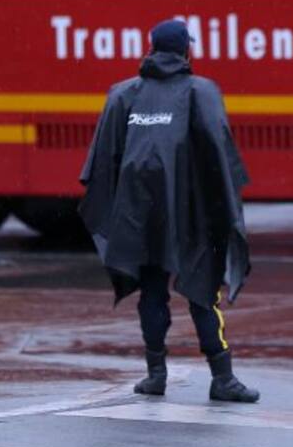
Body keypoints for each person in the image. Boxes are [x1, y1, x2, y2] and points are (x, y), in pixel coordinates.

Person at [78, 20, 259, 403]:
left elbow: (103, 162)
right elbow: (219, 153)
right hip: (192, 215)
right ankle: (222, 377)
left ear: (151, 48)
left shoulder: (123, 95)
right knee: (202, 293)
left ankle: (155, 374)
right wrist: (223, 212)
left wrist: (119, 212)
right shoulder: (201, 92)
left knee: (153, 293)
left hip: (140, 213)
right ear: (185, 51)